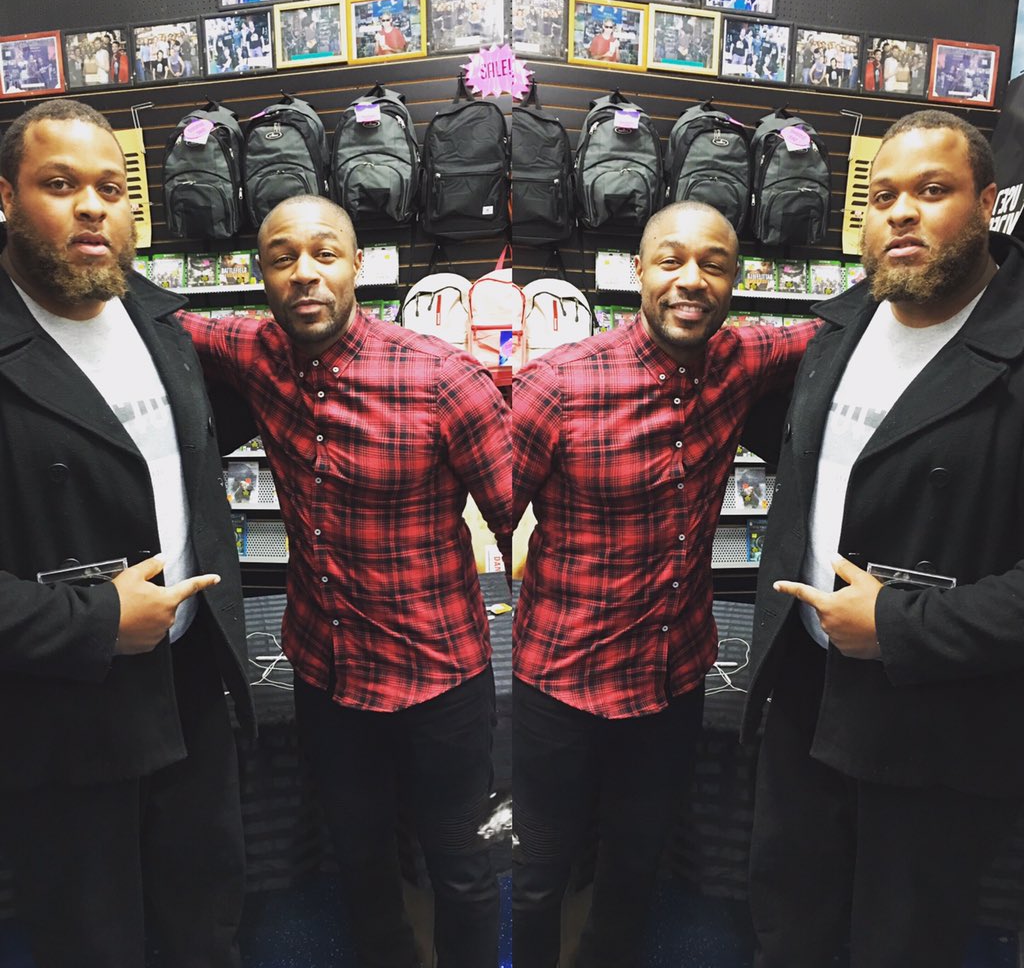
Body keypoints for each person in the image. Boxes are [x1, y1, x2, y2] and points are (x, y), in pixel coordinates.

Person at [178, 195, 510, 968]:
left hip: (439, 678)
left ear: (358, 264)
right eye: (283, 258)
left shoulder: (442, 378)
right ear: (261, 273)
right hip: (326, 671)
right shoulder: (256, 350)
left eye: (324, 254)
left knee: (461, 868)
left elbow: (520, 510)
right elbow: (165, 319)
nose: (305, 273)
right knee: (359, 862)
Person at [742, 109, 1024, 968]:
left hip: (937, 722)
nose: (901, 212)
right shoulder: (838, 330)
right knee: (788, 929)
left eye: (932, 191)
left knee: (901, 946)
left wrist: (899, 626)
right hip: (804, 691)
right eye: (883, 195)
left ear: (987, 204)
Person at [511, 201, 817, 968]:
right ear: (638, 272)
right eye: (672, 261)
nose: (692, 280)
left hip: (673, 675)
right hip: (562, 679)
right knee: (538, 876)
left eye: (714, 265)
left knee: (635, 867)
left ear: (734, 280)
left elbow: (836, 325)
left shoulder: (741, 358)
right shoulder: (558, 383)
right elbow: (492, 504)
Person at [0, 98, 254, 967]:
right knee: (92, 942)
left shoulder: (159, 319)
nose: (92, 207)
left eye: (111, 189)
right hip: (63, 715)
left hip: (191, 687)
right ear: (6, 197)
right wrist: (99, 620)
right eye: (59, 184)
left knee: (205, 924)